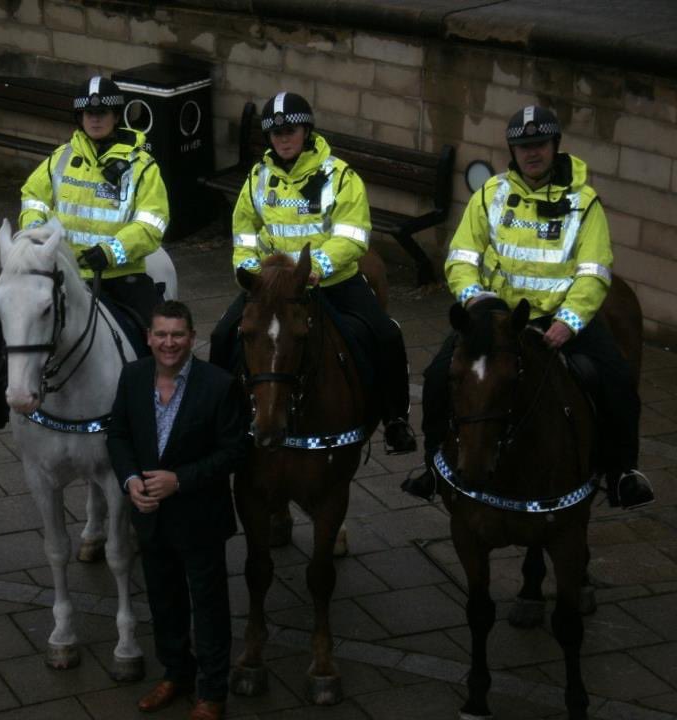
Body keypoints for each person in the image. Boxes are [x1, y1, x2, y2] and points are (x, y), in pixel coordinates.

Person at [403, 105, 654, 509]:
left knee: (618, 381)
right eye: (523, 146)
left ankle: (622, 472)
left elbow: (593, 272)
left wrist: (569, 322)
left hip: (562, 319)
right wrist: (477, 300)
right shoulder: (492, 194)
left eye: (539, 144)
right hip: (498, 316)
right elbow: (462, 256)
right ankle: (433, 466)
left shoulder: (584, 202)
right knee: (437, 375)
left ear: (555, 146)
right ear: (512, 151)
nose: (532, 153)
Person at [209, 91, 416, 453]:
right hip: (272, 288)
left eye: (290, 131)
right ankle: (221, 417)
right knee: (223, 334)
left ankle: (395, 420)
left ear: (306, 130)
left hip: (331, 282)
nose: (283, 138)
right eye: (275, 133)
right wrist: (249, 271)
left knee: (385, 335)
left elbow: (353, 234)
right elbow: (243, 231)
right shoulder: (258, 177)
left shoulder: (339, 175)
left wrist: (318, 267)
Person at [0, 76, 169, 435]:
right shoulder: (59, 160)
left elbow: (152, 223)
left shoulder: (142, 166)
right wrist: (35, 237)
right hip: (56, 274)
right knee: (8, 324)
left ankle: (161, 409)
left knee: (156, 333)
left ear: (116, 115)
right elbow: (33, 199)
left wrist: (110, 251)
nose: (95, 118)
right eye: (87, 112)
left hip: (118, 276)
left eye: (102, 111)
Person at [107, 301, 243, 720]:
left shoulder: (219, 385)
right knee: (164, 601)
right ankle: (175, 673)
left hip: (199, 518)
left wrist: (179, 480)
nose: (169, 343)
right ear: (148, 337)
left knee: (208, 606)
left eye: (178, 335)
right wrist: (130, 480)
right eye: (161, 334)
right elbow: (118, 435)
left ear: (192, 337)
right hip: (149, 515)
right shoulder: (132, 377)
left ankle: (212, 692)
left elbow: (234, 451)